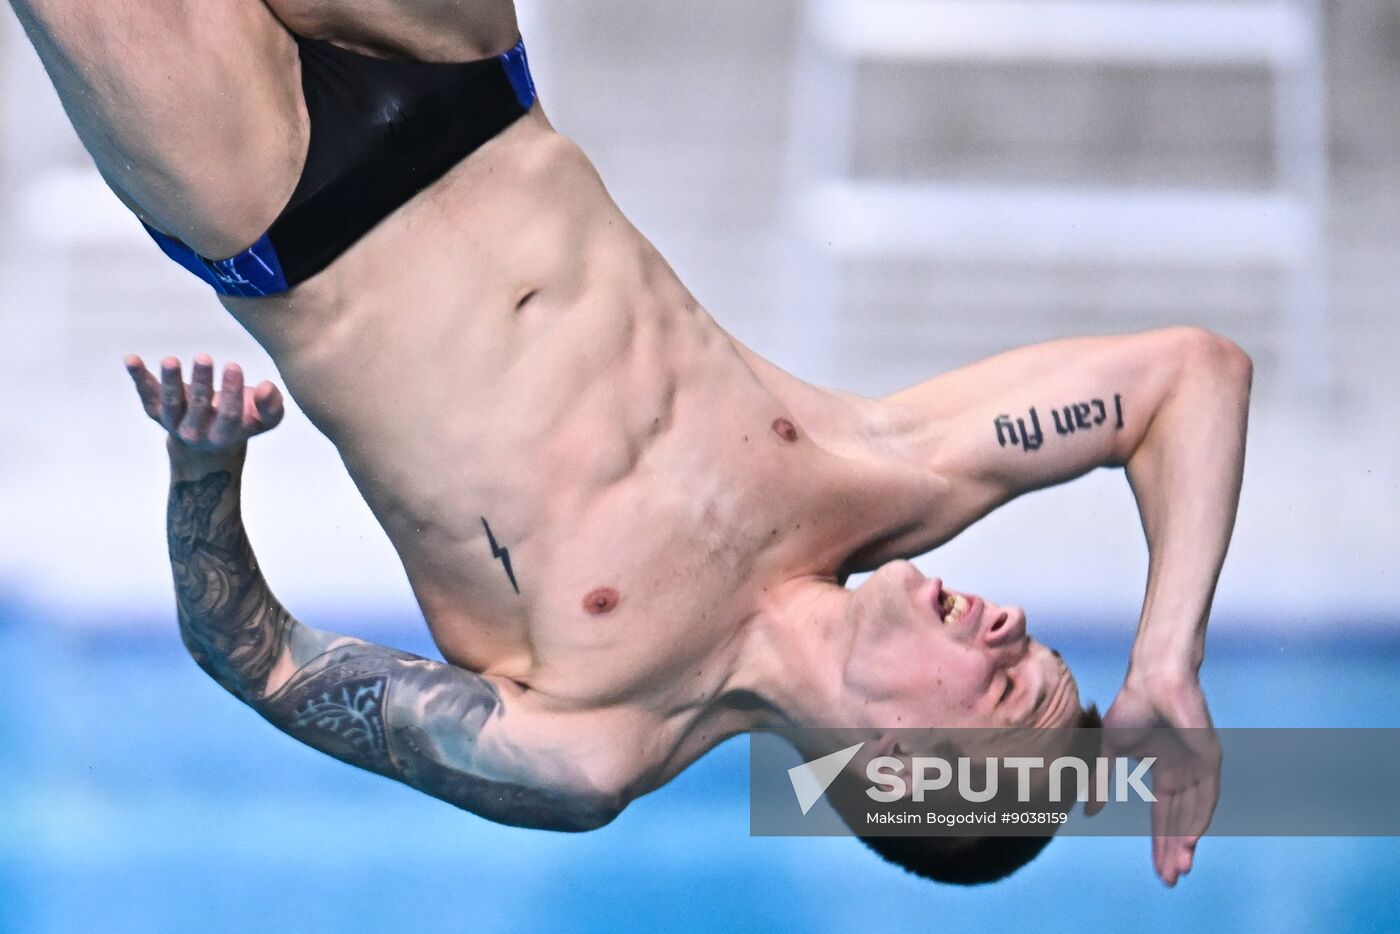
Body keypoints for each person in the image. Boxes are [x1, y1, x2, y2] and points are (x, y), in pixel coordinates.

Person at [11, 0, 1249, 886]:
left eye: (1008, 686)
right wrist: (1161, 657)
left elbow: (266, 664)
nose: (1008, 625)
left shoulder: (597, 739)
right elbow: (1189, 376)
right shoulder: (865, 476)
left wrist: (204, 478)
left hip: (266, 197)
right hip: (458, 71)